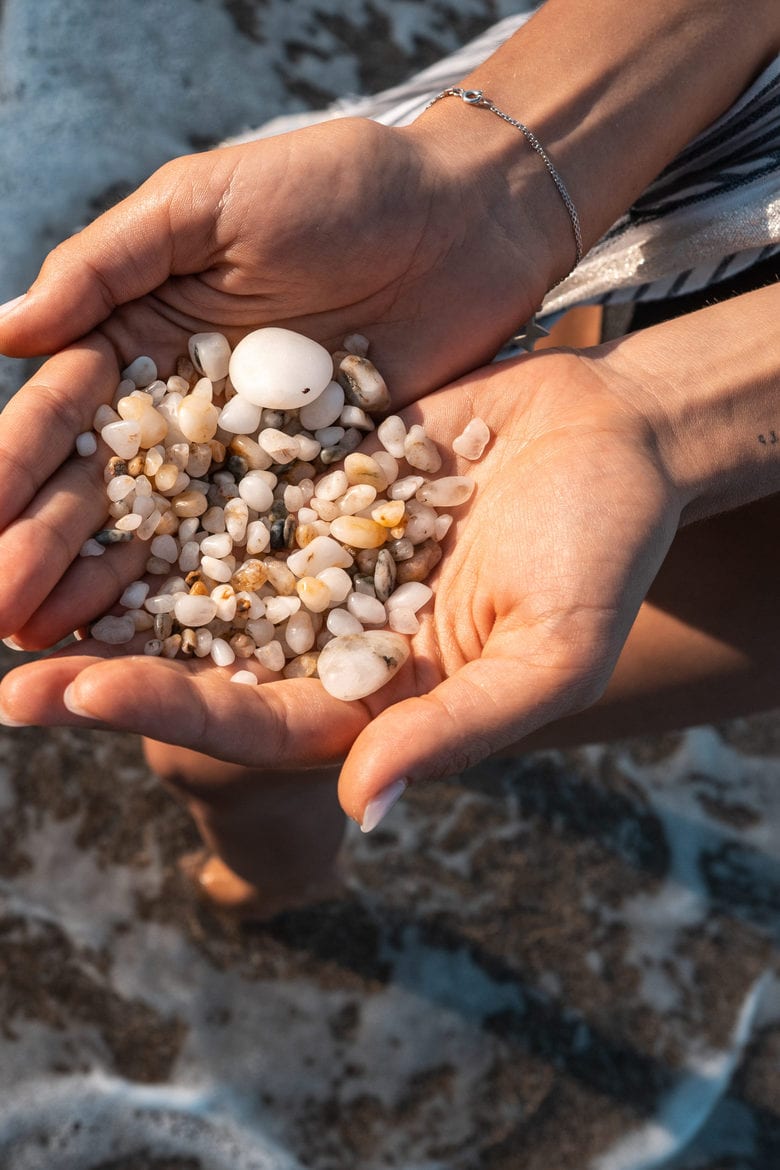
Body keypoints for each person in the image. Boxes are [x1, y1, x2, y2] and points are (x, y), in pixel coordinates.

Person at [0, 0, 777, 913]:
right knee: (575, 311)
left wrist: (668, 411)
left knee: (234, 758)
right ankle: (273, 879)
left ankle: (273, 892)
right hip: (726, 151)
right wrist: (494, 178)